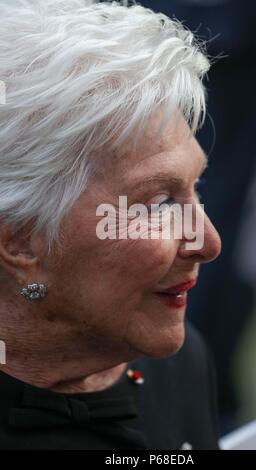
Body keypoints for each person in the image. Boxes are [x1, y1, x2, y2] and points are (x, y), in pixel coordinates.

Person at [0, 0, 221, 449]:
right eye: (159, 203)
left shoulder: (177, 363)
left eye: (197, 186)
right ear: (21, 240)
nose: (209, 242)